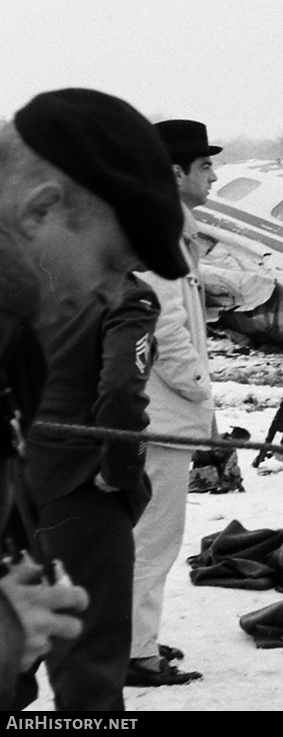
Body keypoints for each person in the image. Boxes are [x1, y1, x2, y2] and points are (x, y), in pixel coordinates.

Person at [0, 88, 188, 708]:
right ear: (41, 211)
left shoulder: (18, 344)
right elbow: (118, 394)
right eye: (111, 264)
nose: (112, 294)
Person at [23, 272, 157, 710]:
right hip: (77, 491)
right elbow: (120, 392)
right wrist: (121, 470)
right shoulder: (123, 294)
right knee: (89, 671)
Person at [127, 119, 220, 687]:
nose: (214, 176)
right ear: (174, 172)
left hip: (157, 416)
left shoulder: (167, 228)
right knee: (152, 540)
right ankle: (133, 654)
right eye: (205, 166)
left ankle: (132, 638)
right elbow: (164, 327)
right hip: (159, 418)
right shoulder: (160, 233)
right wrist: (200, 390)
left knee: (143, 536)